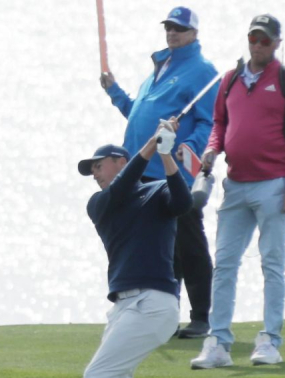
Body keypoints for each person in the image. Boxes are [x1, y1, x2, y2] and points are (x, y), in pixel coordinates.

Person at [60, 124, 220, 378]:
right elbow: (124, 186)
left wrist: (165, 155)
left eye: (98, 166)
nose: (95, 174)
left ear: (119, 161)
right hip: (123, 308)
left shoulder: (157, 191)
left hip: (154, 303)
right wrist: (151, 146)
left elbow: (183, 204)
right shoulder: (100, 203)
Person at [190, 14, 285, 369]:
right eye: (253, 39)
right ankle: (218, 343)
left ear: (276, 43)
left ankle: (270, 339)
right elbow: (219, 123)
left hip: (275, 185)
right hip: (236, 185)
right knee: (225, 263)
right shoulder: (229, 80)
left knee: (272, 263)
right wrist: (213, 147)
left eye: (265, 40)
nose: (258, 46)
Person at [100, 7, 218, 339]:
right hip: (141, 173)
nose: (172, 32)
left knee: (189, 244)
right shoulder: (160, 68)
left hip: (172, 173)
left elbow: (210, 122)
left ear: (194, 33)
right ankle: (162, 318)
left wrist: (190, 145)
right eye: (169, 27)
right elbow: (139, 115)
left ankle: (201, 318)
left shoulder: (202, 71)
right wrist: (115, 93)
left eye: (179, 28)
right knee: (158, 251)